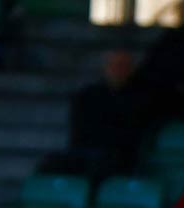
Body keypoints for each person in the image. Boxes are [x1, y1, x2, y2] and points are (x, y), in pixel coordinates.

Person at [60, 47, 146, 181]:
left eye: (123, 66)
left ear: (131, 69)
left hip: (118, 155)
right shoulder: (88, 95)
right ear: (105, 67)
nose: (117, 70)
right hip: (87, 151)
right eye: (114, 65)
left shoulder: (139, 99)